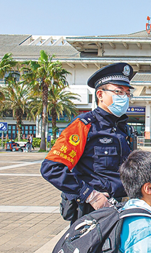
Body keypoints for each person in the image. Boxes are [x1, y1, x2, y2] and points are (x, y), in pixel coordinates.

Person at [41, 62, 135, 224]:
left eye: (127, 93)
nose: (124, 97)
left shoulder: (124, 129)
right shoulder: (84, 125)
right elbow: (51, 168)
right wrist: (88, 194)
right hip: (94, 213)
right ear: (100, 94)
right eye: (118, 92)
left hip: (123, 209)